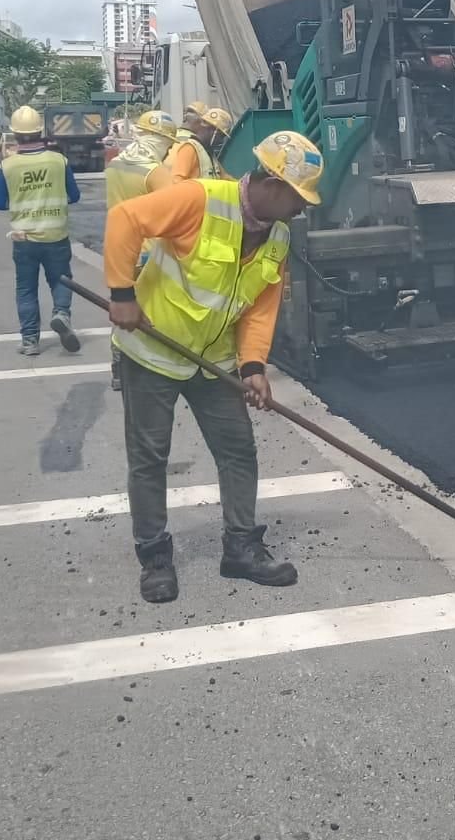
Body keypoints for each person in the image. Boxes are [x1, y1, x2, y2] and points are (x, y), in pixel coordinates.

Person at [105, 130, 323, 603]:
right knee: (150, 457)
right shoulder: (200, 199)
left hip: (214, 361)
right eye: (298, 197)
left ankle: (241, 548)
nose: (302, 208)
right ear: (269, 183)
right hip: (154, 353)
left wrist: (252, 366)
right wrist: (122, 293)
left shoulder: (278, 236)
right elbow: (126, 218)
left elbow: (260, 308)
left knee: (238, 449)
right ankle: (155, 556)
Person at [0, 105, 81, 355]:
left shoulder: (7, 166)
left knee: (26, 288)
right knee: (61, 279)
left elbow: (0, 203)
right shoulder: (58, 161)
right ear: (40, 131)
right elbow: (74, 196)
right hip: (56, 236)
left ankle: (30, 340)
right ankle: (62, 314)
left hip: (24, 239)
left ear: (16, 134)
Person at [104, 109, 179, 392]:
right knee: (152, 314)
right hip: (149, 253)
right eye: (168, 144)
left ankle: (118, 367)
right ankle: (152, 368)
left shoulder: (115, 165)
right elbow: (174, 213)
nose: (170, 149)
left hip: (121, 250)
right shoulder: (155, 171)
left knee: (122, 313)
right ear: (160, 140)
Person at [164, 106, 232, 181]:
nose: (221, 141)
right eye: (221, 136)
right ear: (212, 130)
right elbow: (176, 181)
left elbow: (225, 177)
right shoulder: (190, 149)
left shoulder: (210, 155)